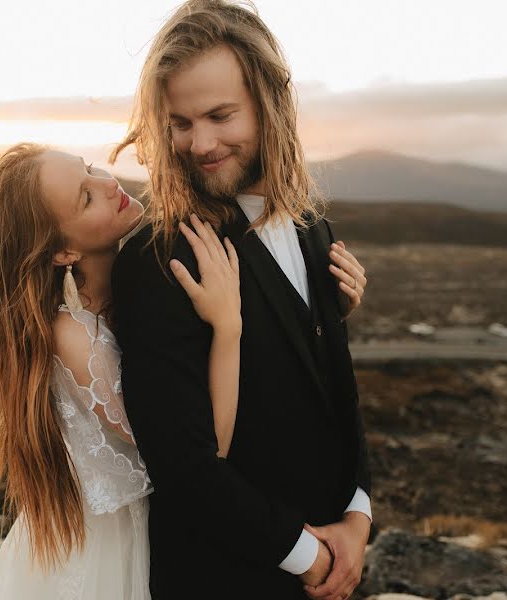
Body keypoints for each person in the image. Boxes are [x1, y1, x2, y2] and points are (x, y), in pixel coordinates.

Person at [109, 1, 373, 598]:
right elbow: (181, 462)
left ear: (270, 100)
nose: (199, 143)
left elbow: (336, 393)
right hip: (224, 578)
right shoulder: (159, 256)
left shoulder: (313, 227)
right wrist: (307, 555)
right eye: (180, 122)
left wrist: (357, 516)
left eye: (220, 115)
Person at [0, 142, 248, 599]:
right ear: (62, 252)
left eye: (90, 168)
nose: (108, 183)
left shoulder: (129, 296)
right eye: (86, 197)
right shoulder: (74, 336)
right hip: (103, 558)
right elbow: (204, 448)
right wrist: (228, 327)